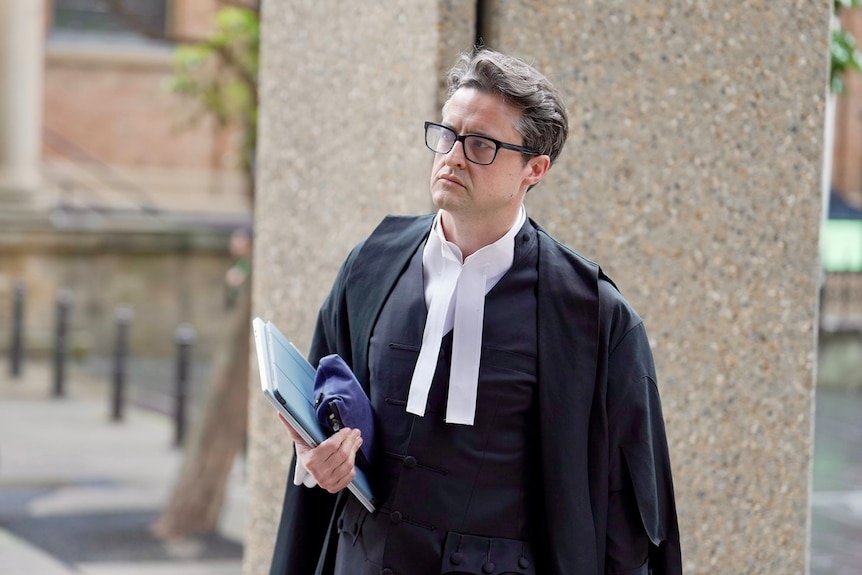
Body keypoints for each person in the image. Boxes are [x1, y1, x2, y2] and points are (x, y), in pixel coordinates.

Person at [270, 48, 682, 575]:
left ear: (534, 168)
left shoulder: (592, 315)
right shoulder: (370, 264)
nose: (454, 156)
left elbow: (627, 508)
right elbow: (317, 407)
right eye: (447, 134)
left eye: (482, 144)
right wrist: (316, 460)